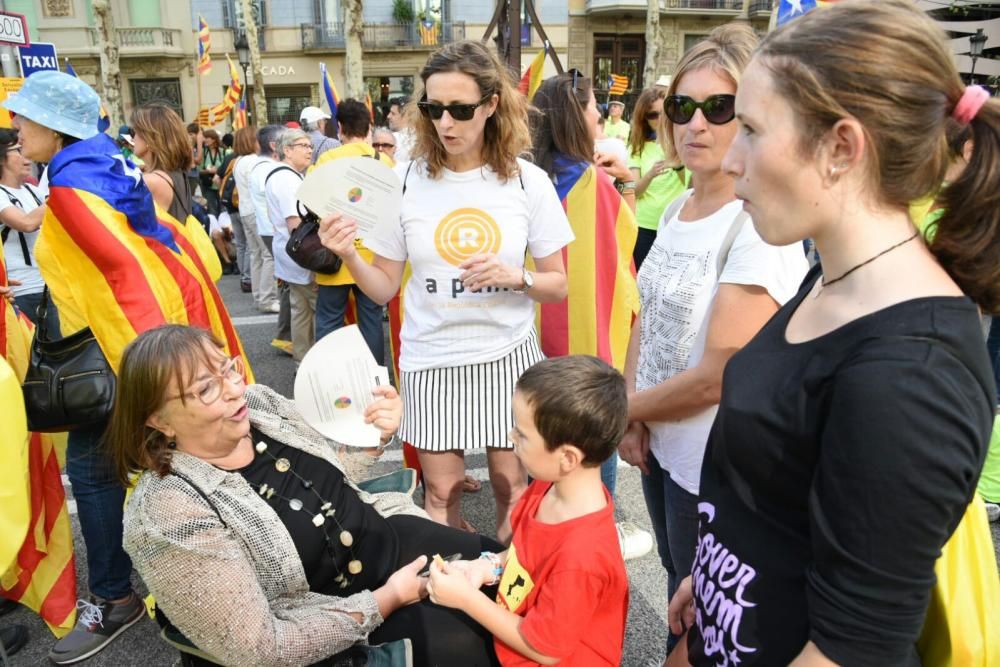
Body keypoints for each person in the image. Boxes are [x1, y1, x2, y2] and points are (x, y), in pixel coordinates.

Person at [664, 3, 996, 665]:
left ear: (842, 147)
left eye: (752, 128)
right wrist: (713, 570)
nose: (732, 157)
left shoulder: (911, 375)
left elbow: (855, 647)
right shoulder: (834, 276)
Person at [2, 69, 249, 665]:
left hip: (123, 357)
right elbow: (168, 253)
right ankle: (188, 585)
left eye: (24, 119)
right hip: (148, 346)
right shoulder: (104, 168)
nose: (15, 128)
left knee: (112, 472)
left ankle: (127, 598)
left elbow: (125, 280)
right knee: (162, 468)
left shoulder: (71, 190)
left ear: (55, 127)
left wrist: (157, 379)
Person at [113, 324, 503, 666]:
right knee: (477, 636)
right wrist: (389, 598)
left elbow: (324, 478)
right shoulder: (168, 513)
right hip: (335, 614)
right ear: (159, 421)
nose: (235, 389)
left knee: (511, 574)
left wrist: (371, 442)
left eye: (227, 368)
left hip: (387, 537)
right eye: (206, 388)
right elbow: (260, 649)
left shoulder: (260, 405)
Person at [319, 40, 573, 543]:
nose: (446, 123)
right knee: (442, 492)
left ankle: (508, 590)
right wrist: (349, 255)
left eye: (460, 109)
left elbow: (558, 284)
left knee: (511, 483)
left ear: (492, 105)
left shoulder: (528, 183)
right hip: (430, 358)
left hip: (507, 356)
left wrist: (515, 276)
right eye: (434, 109)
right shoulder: (406, 180)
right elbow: (383, 287)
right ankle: (452, 589)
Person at [620, 23, 808, 657]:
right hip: (662, 437)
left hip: (715, 462)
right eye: (681, 107)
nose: (694, 124)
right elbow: (645, 319)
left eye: (718, 108)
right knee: (679, 585)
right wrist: (634, 409)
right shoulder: (677, 206)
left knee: (701, 614)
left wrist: (619, 411)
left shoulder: (757, 223)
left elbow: (722, 371)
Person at [427, 355, 630, 665]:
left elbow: (545, 649)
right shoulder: (551, 484)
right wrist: (488, 567)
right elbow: (523, 551)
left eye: (522, 434)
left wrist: (466, 600)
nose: (511, 437)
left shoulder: (582, 556)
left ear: (567, 458)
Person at [528, 72, 652, 561]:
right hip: (586, 339)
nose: (600, 113)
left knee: (539, 441)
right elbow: (621, 268)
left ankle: (544, 537)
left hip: (533, 337)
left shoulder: (525, 178)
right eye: (593, 105)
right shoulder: (592, 183)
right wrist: (626, 185)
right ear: (572, 114)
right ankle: (596, 532)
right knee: (590, 443)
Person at [313, 99, 392, 363]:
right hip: (372, 258)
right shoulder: (383, 161)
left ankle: (328, 378)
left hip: (335, 252)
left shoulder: (326, 159)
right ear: (369, 127)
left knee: (328, 320)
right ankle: (376, 378)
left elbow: (311, 203)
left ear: (340, 128)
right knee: (371, 319)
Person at [265, 128, 315, 363]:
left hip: (290, 255)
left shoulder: (285, 175)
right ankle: (313, 364)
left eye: (309, 146)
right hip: (301, 256)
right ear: (287, 150)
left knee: (300, 311)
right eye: (303, 146)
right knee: (316, 310)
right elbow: (295, 224)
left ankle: (302, 362)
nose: (309, 150)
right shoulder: (287, 179)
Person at [0, 128, 54, 331]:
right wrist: (62, 194)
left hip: (49, 287)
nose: (27, 158)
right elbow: (26, 223)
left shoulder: (33, 191)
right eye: (18, 151)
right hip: (18, 292)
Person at [627, 87, 687, 269]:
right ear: (643, 119)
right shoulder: (637, 147)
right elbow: (633, 191)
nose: (659, 119)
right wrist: (651, 174)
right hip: (644, 225)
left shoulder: (684, 142)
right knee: (642, 283)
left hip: (675, 223)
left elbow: (691, 186)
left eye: (663, 113)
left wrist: (677, 165)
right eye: (652, 115)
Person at [130, 104, 197, 233]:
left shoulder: (152, 181)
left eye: (136, 132)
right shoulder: (177, 173)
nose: (133, 138)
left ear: (151, 138)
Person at [235, 125, 280, 314]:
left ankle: (258, 295)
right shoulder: (254, 161)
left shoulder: (238, 161)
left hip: (244, 210)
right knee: (268, 254)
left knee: (256, 254)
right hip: (256, 211)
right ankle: (267, 298)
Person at [216, 127, 256, 289]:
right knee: (249, 245)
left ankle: (243, 276)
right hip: (245, 206)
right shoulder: (253, 161)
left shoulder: (231, 159)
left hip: (231, 206)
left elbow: (217, 179)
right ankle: (247, 278)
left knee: (241, 244)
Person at [198, 128, 225, 217]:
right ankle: (215, 229)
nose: (204, 140)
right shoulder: (204, 152)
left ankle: (225, 229)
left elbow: (228, 168)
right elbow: (199, 170)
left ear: (213, 139)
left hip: (221, 184)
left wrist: (217, 170)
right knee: (211, 209)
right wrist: (207, 171)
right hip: (208, 184)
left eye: (206, 137)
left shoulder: (224, 151)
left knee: (223, 209)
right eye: (204, 137)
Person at [386, 95, 414, 162]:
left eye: (393, 113)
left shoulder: (393, 139)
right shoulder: (423, 139)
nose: (388, 116)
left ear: (407, 116)